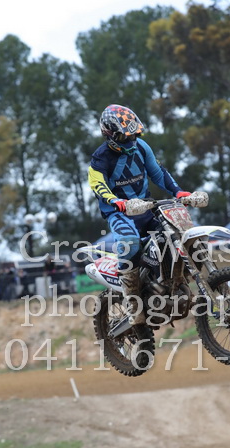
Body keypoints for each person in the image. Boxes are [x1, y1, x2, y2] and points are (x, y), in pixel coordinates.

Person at [88, 103, 193, 325]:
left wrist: (178, 191)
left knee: (177, 231)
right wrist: (116, 201)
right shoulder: (100, 158)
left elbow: (158, 173)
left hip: (146, 208)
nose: (130, 141)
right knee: (130, 242)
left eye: (133, 135)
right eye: (125, 137)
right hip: (121, 214)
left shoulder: (142, 147)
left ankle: (174, 280)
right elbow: (98, 185)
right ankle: (133, 301)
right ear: (110, 135)